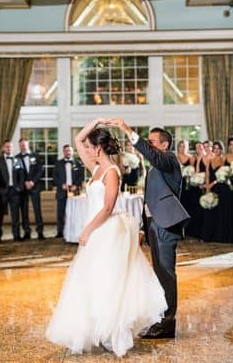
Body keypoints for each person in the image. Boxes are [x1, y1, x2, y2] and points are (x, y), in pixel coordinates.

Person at [46, 120, 166, 356]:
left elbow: (108, 207)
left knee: (109, 282)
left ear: (99, 149)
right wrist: (96, 122)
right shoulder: (95, 168)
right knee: (91, 281)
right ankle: (97, 329)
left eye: (91, 147)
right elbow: (79, 140)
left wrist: (88, 229)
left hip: (106, 231)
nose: (87, 150)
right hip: (96, 231)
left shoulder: (111, 172)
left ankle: (111, 332)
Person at [108, 118, 188, 340]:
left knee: (166, 273)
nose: (149, 145)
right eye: (148, 141)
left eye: (153, 142)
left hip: (165, 225)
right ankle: (161, 319)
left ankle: (167, 323)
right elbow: (149, 200)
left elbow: (153, 156)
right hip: (155, 225)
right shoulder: (155, 168)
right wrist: (144, 227)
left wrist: (128, 130)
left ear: (164, 145)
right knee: (159, 273)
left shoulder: (169, 160)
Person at [0, 139, 23, 242]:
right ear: (3, 148)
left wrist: (19, 187)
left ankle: (16, 235)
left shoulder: (17, 160)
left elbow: (21, 176)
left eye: (11, 147)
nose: (9, 148)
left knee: (15, 215)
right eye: (7, 147)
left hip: (14, 191)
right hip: (2, 192)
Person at [54, 144, 85, 240]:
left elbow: (81, 177)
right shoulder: (58, 163)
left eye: (69, 151)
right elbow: (54, 178)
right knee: (61, 213)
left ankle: (74, 231)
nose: (68, 152)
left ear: (72, 152)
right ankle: (60, 232)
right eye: (66, 150)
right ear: (63, 152)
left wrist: (76, 185)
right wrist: (61, 184)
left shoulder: (78, 163)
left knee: (74, 212)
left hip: (74, 192)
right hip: (62, 191)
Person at [15, 136, 44, 239]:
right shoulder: (16, 158)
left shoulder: (35, 156)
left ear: (28, 145)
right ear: (19, 146)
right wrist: (24, 183)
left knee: (37, 209)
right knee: (24, 211)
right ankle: (27, 231)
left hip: (34, 186)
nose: (23, 147)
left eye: (24, 145)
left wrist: (32, 182)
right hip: (23, 188)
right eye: (21, 145)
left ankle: (40, 232)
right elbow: (16, 174)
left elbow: (40, 170)